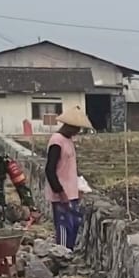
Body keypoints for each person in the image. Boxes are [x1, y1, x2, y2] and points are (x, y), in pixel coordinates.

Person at [45, 106, 92, 249]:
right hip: (62, 195)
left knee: (74, 224)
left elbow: (70, 169)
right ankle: (62, 254)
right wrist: (60, 192)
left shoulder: (68, 140)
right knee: (64, 226)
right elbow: (50, 170)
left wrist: (77, 188)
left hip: (71, 193)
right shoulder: (57, 142)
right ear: (69, 126)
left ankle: (68, 252)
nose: (77, 132)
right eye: (76, 128)